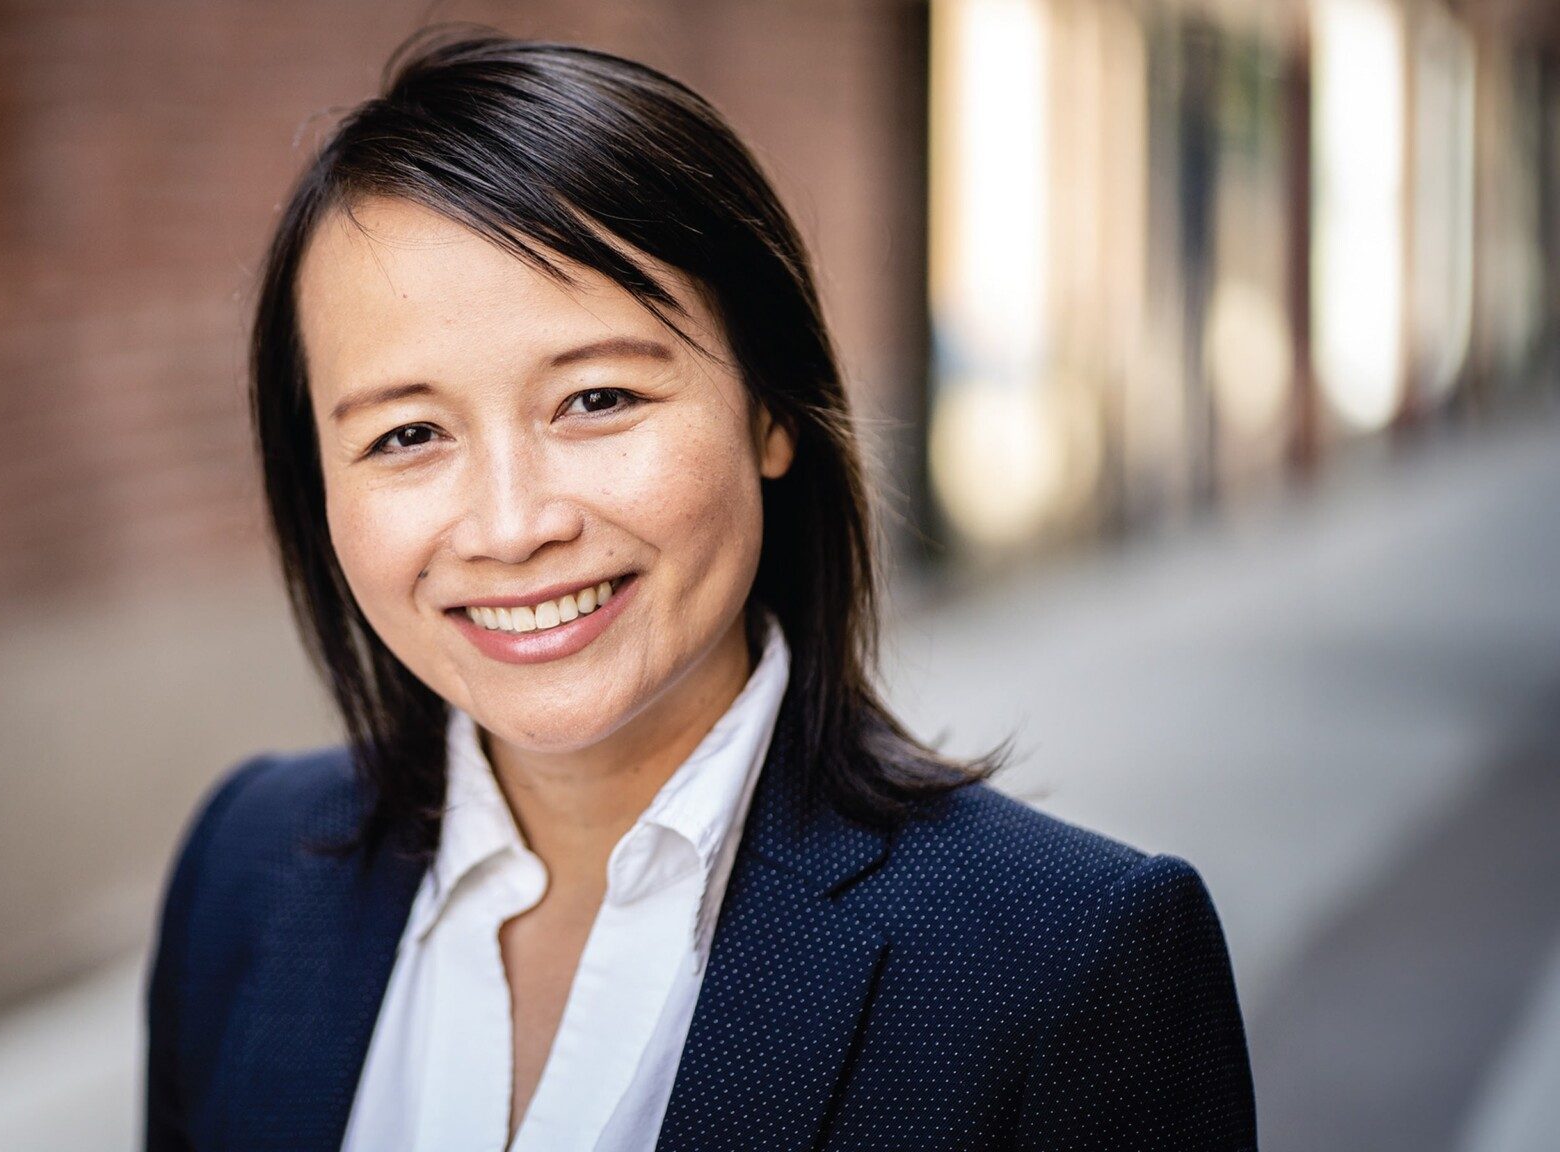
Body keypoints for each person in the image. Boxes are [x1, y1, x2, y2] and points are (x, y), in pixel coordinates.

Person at [145, 30, 1256, 1152]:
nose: (512, 524)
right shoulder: (246, 870)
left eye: (595, 400)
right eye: (408, 432)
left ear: (769, 411)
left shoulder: (1062, 960)